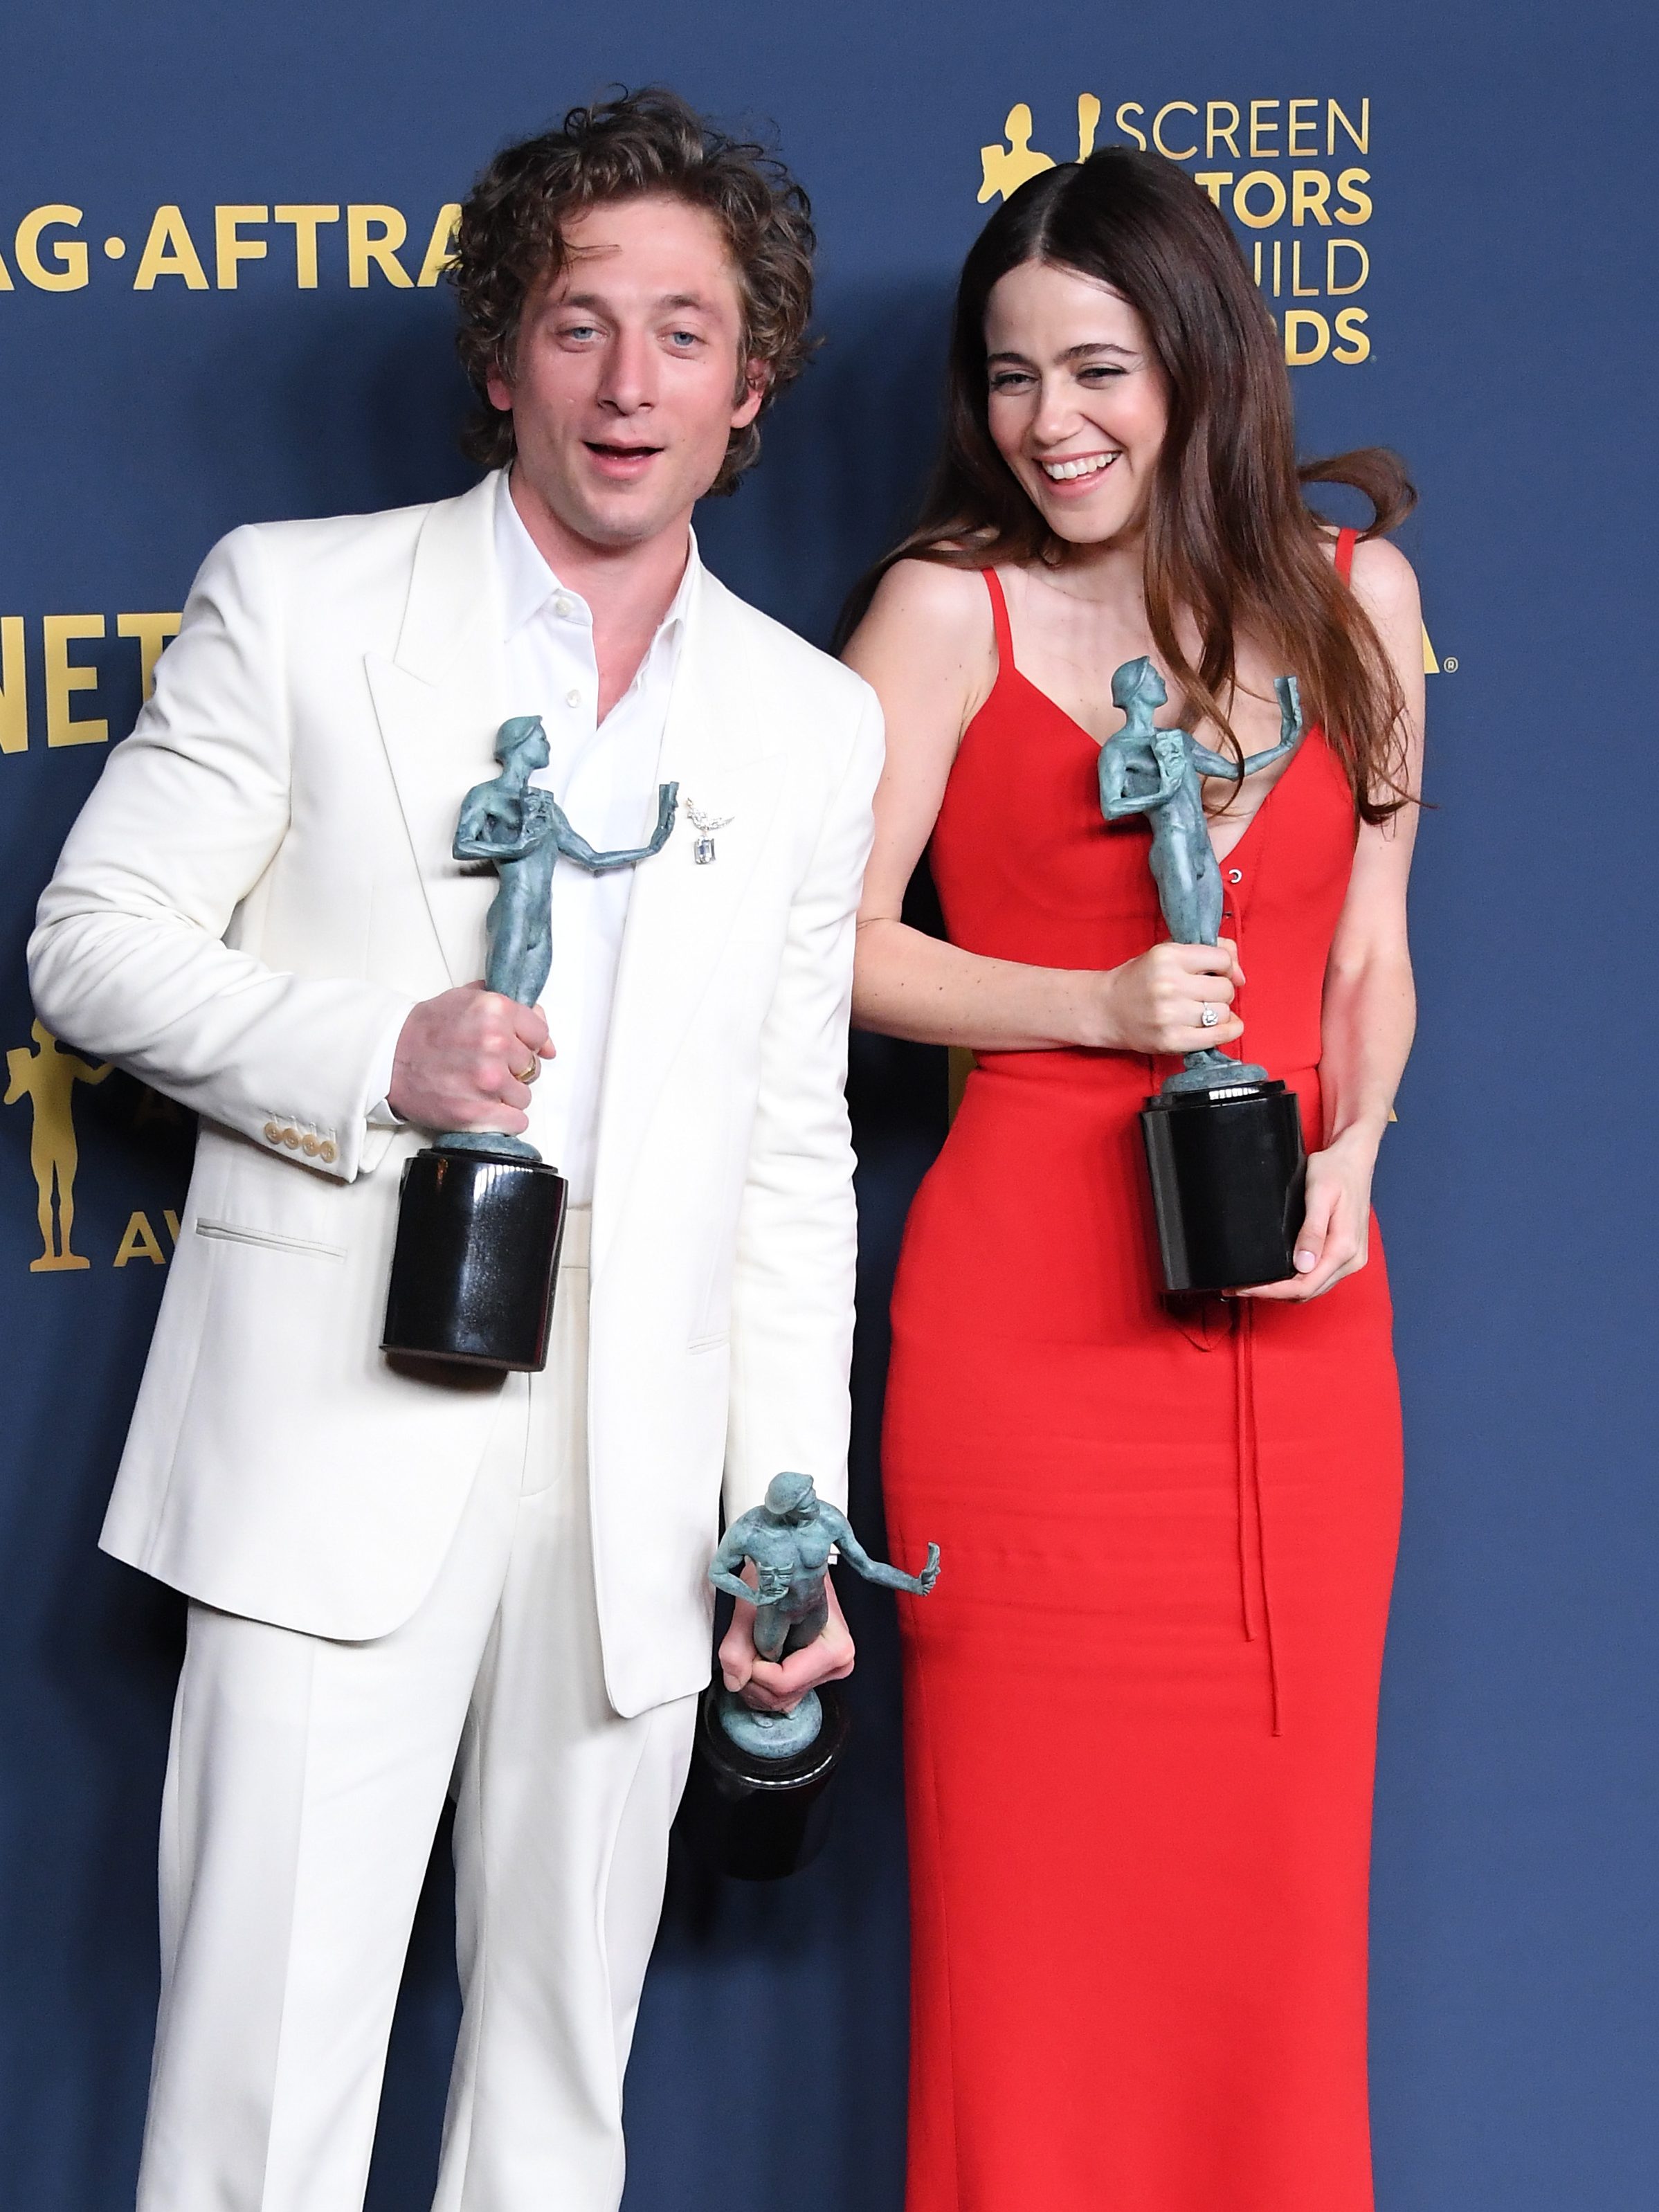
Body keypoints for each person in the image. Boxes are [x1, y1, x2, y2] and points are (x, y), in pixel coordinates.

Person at [29, 88, 882, 2212]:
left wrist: (792, 1512)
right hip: (335, 1426)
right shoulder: (303, 603)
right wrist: (371, 1053)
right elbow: (90, 942)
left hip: (635, 1490)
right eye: (583, 323)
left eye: (685, 333)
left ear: (752, 382)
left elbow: (792, 1144)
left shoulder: (808, 720)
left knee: (555, 2096)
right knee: (257, 2096)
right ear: (503, 348)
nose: (629, 384)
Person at [842, 147, 1423, 2211]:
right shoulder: (944, 607)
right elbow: (828, 944)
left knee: (1271, 1930)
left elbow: (1367, 954)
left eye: (1094, 366)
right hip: (1028, 1330)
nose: (1049, 420)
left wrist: (1357, 1143)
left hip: (1292, 1326)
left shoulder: (1361, 601)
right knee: (1031, 1938)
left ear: (1195, 358)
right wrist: (1087, 1005)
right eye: (1008, 377)